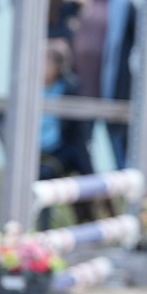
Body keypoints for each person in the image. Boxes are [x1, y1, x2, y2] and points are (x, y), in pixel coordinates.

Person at [71, 0, 136, 170]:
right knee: (83, 141)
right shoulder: (74, 0)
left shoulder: (122, 4)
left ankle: (125, 183)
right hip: (82, 82)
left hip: (112, 83)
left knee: (117, 141)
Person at [36, 42, 94, 230]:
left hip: (60, 151)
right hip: (31, 149)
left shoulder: (70, 87)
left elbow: (79, 131)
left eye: (48, 63)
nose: (43, 68)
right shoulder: (27, 85)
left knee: (44, 173)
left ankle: (44, 228)